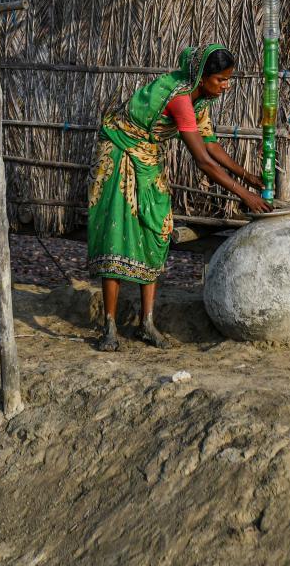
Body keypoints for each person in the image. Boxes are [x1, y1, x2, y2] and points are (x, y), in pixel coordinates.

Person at [86, 43, 269, 350]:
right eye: (220, 80)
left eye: (228, 79)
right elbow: (202, 161)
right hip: (120, 155)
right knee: (116, 235)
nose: (226, 86)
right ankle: (109, 326)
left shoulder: (200, 100)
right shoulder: (180, 99)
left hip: (149, 155)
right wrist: (244, 195)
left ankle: (146, 323)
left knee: (158, 230)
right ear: (202, 76)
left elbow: (210, 145)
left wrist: (248, 176)